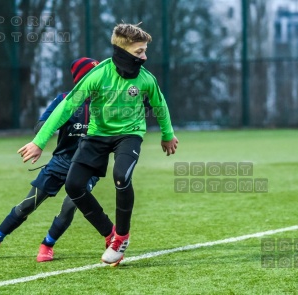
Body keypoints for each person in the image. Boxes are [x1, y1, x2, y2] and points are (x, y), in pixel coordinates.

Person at [18, 23, 179, 266]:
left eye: (145, 51)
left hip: (129, 134)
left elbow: (160, 105)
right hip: (97, 135)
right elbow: (67, 106)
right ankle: (110, 231)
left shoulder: (146, 79)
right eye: (139, 52)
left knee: (121, 176)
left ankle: (121, 239)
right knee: (73, 186)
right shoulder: (97, 75)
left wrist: (168, 134)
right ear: (123, 52)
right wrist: (39, 142)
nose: (144, 57)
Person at [0, 57, 106, 262]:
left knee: (70, 205)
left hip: (88, 166)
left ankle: (47, 244)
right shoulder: (64, 100)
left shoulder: (106, 105)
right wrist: (57, 121)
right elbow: (39, 127)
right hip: (60, 162)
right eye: (92, 75)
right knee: (28, 204)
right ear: (81, 78)